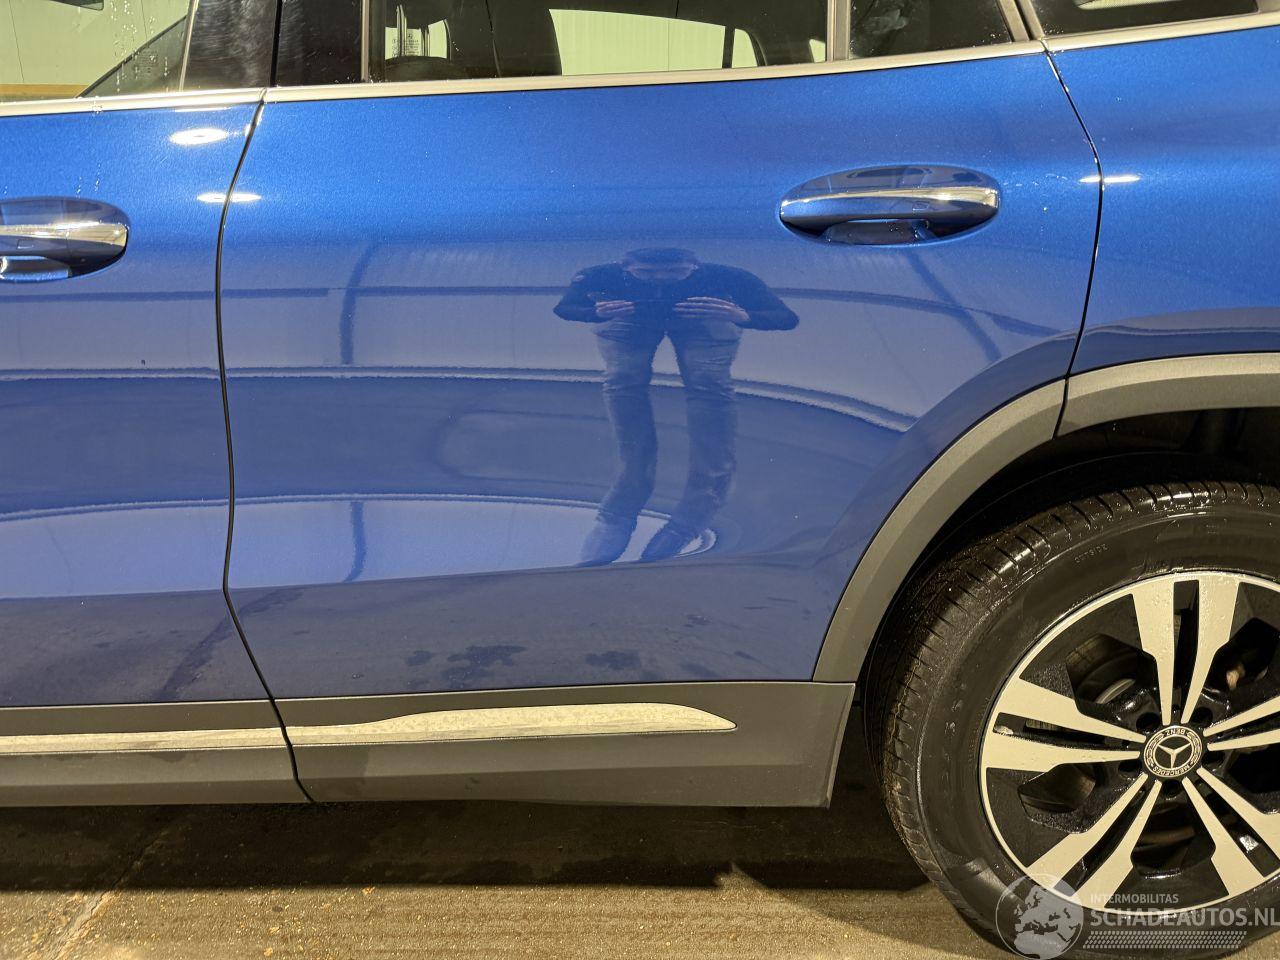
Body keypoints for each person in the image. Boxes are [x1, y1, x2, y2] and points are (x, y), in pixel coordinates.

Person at [554, 248, 798, 565]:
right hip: (631, 318)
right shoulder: (600, 275)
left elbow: (785, 317)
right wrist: (595, 312)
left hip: (702, 317)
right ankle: (625, 498)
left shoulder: (728, 277)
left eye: (674, 273)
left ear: (696, 266)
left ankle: (699, 506)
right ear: (625, 268)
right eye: (647, 274)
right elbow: (565, 308)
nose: (661, 280)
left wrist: (743, 316)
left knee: (708, 385)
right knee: (623, 379)